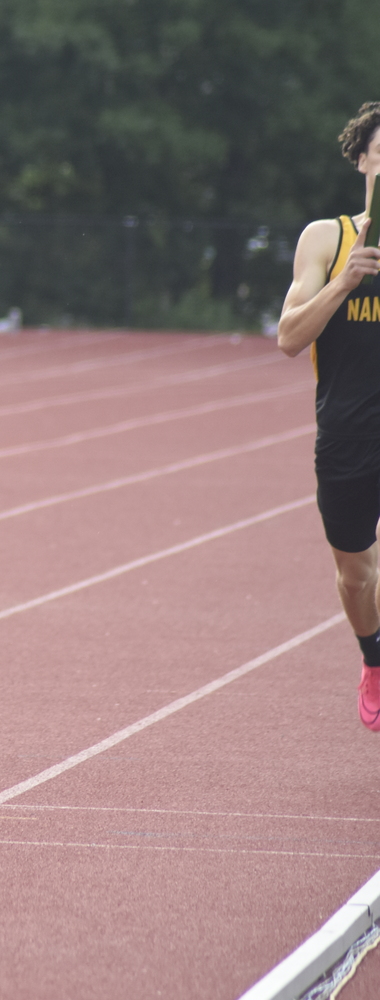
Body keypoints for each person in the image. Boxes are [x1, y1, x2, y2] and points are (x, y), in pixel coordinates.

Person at [276, 101, 380, 731]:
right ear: (364, 159)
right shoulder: (326, 238)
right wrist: (344, 283)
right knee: (355, 572)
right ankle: (374, 659)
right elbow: (289, 337)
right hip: (347, 434)